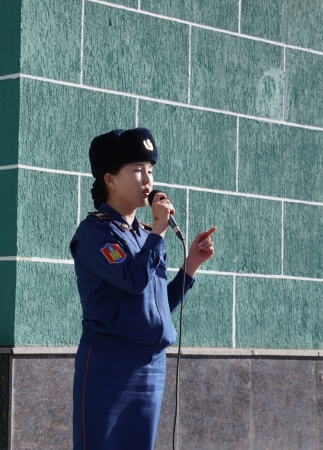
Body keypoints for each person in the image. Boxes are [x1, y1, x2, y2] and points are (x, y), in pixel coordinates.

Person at [70, 128, 216, 449]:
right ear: (110, 180)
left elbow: (157, 307)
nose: (147, 179)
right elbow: (133, 280)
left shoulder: (146, 234)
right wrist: (159, 232)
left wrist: (190, 266)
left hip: (151, 368)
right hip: (109, 367)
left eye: (150, 170)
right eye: (137, 170)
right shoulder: (96, 233)